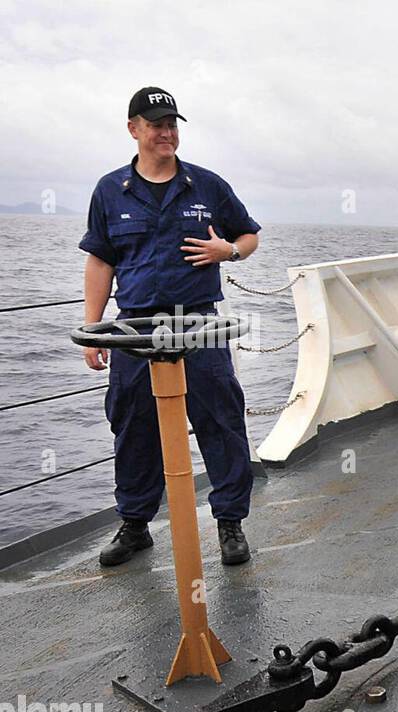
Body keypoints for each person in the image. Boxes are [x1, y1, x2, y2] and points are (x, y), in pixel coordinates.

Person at [81, 87, 261, 569]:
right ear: (133, 129)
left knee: (220, 420)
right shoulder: (109, 190)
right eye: (156, 124)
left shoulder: (207, 185)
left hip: (198, 323)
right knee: (132, 425)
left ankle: (230, 523)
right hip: (135, 330)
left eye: (172, 124)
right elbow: (101, 259)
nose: (166, 132)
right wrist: (92, 327)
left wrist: (231, 251)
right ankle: (136, 524)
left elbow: (249, 234)